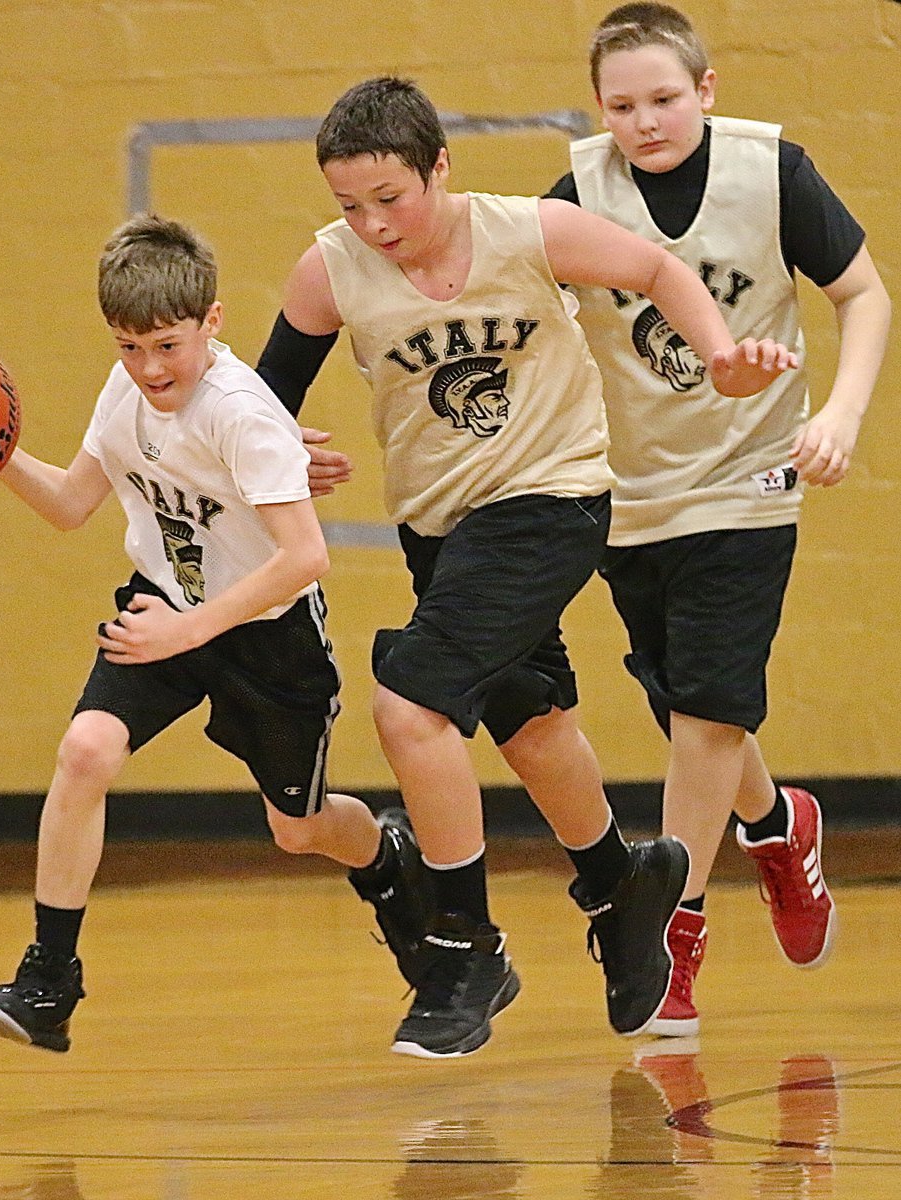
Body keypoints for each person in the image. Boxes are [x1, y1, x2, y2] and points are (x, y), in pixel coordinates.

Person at [255, 75, 797, 1059]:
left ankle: (464, 944)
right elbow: (261, 401)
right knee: (531, 726)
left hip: (549, 503)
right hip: (440, 530)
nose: (372, 223)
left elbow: (661, 272)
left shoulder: (527, 231)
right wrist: (284, 449)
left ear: (440, 169)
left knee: (407, 706)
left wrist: (717, 356)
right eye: (349, 205)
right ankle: (620, 885)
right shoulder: (327, 271)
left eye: (391, 198)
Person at [0, 214, 433, 1054]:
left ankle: (388, 856)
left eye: (167, 347)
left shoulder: (241, 413)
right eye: (128, 348)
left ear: (211, 322)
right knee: (85, 752)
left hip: (265, 635)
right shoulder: (124, 392)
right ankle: (48, 980)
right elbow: (73, 505)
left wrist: (188, 631)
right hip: (163, 608)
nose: (148, 369)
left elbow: (304, 557)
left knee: (298, 830)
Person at [546, 3, 891, 1035]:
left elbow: (863, 294)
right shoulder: (577, 193)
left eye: (663, 97)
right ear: (599, 108)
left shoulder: (771, 172)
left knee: (704, 709)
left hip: (752, 476)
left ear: (706, 89)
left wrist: (837, 413)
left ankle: (673, 935)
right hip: (634, 489)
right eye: (621, 105)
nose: (643, 121)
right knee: (688, 706)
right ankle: (776, 826)